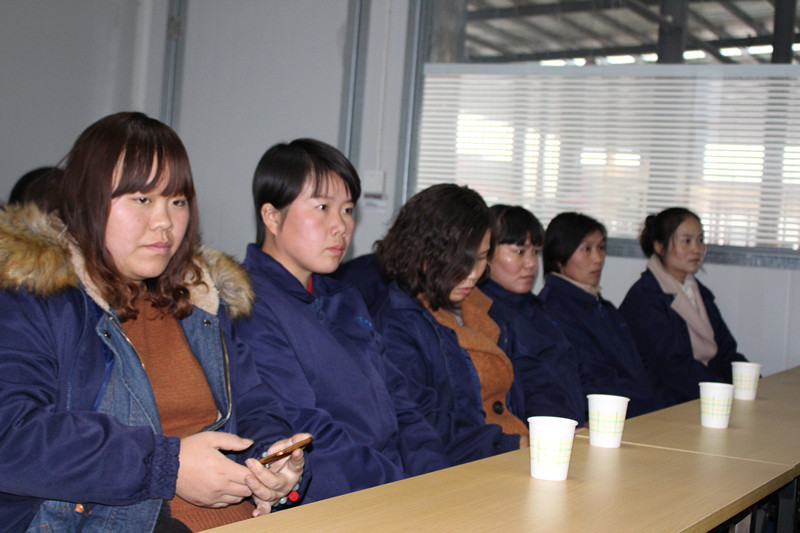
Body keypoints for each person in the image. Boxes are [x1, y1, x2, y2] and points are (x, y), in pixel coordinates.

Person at [0, 112, 308, 533]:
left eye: (177, 201)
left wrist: (274, 463)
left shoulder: (198, 299)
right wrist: (167, 466)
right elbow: (12, 436)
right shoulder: (35, 298)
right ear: (89, 200)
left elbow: (253, 405)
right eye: (142, 199)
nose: (165, 221)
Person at [235, 139, 451, 503]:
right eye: (322, 207)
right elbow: (307, 434)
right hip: (340, 499)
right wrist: (406, 492)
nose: (341, 226)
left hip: (397, 487)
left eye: (348, 210)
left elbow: (402, 404)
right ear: (272, 217)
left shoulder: (345, 298)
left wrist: (437, 480)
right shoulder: (249, 304)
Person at [372, 184, 528, 465]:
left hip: (509, 448)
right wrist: (510, 445)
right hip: (466, 463)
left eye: (481, 258)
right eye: (461, 261)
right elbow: (422, 424)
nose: (472, 273)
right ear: (422, 252)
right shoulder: (396, 326)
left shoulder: (482, 306)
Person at [619, 207, 748, 407]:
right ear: (659, 246)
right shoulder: (645, 298)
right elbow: (672, 367)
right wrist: (724, 390)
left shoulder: (699, 293)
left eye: (700, 240)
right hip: (666, 403)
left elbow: (725, 351)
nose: (697, 249)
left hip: (701, 393)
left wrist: (750, 382)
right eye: (686, 241)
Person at [539, 212, 661, 418]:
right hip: (609, 416)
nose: (598, 259)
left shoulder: (603, 307)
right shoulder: (554, 310)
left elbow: (639, 367)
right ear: (560, 255)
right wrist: (651, 405)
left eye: (601, 248)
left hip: (638, 409)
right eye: (586, 249)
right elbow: (595, 381)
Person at [480, 205, 587, 426]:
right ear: (485, 253)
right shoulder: (485, 315)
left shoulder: (538, 308)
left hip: (569, 428)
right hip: (536, 436)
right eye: (519, 252)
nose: (531, 264)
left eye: (535, 252)